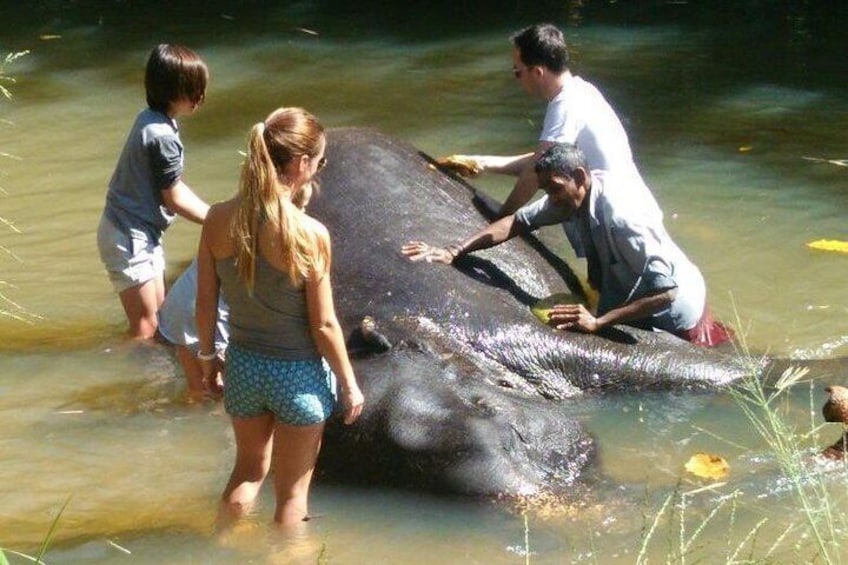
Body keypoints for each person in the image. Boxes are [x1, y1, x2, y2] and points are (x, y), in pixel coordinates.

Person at [196, 107, 364, 526]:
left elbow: (204, 302)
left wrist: (207, 358)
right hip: (298, 376)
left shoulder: (217, 219)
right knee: (291, 496)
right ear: (302, 164)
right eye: (319, 162)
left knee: (247, 473)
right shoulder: (309, 234)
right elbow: (323, 325)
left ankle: (218, 548)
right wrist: (349, 383)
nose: (318, 170)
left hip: (244, 368)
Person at [403, 143, 731, 347]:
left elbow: (666, 292)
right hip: (637, 289)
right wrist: (454, 251)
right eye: (546, 191)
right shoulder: (567, 198)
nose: (551, 199)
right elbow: (515, 223)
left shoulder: (623, 219)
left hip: (676, 310)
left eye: (555, 189)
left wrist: (599, 322)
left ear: (579, 176)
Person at [439, 23, 647, 257]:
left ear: (537, 72)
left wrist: (498, 219)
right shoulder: (583, 91)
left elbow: (535, 174)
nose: (516, 79)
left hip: (615, 220)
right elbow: (545, 162)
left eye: (517, 72)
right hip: (628, 209)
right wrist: (483, 163)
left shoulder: (564, 106)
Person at [157, 183, 315, 399]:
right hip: (207, 314)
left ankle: (191, 416)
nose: (303, 213)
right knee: (229, 393)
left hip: (178, 305)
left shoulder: (229, 218)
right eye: (302, 207)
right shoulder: (274, 236)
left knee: (198, 391)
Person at [97, 44, 211, 339]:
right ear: (172, 91)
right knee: (146, 330)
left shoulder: (150, 119)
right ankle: (126, 379)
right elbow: (173, 196)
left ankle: (148, 375)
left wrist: (215, 213)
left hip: (133, 231)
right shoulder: (162, 136)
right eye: (194, 89)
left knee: (159, 322)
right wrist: (217, 219)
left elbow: (172, 185)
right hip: (129, 234)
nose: (201, 97)